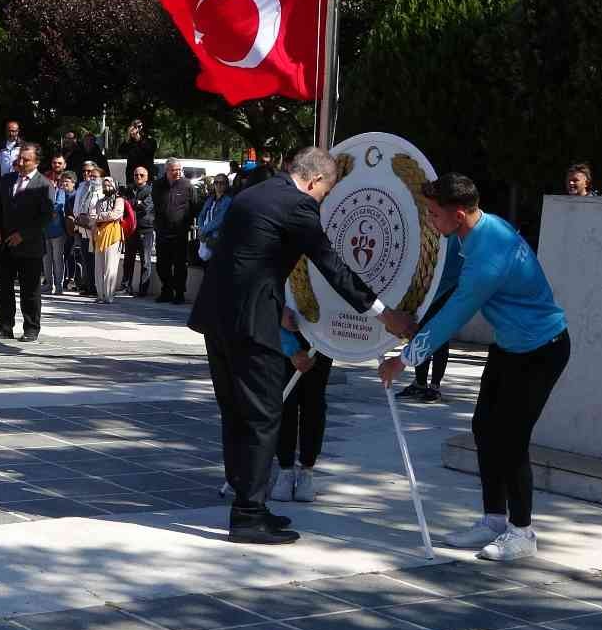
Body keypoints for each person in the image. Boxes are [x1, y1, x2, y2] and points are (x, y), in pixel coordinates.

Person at [190, 148, 396, 544]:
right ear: (316, 182)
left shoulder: (254, 192)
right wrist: (383, 314)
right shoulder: (297, 204)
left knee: (235, 411)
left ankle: (249, 500)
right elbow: (331, 264)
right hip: (251, 322)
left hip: (216, 316)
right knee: (264, 414)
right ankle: (248, 514)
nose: (320, 201)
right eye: (325, 193)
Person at [378, 174, 570, 563]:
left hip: (541, 350)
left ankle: (522, 532)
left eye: (433, 214)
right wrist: (410, 313)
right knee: (484, 427)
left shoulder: (489, 254)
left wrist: (404, 358)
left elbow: (454, 314)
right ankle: (493, 520)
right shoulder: (468, 234)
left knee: (512, 440)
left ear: (459, 213)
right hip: (510, 346)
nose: (430, 221)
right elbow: (443, 282)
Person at [0, 143, 53, 343]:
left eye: (26, 160)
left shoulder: (44, 184)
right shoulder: (7, 180)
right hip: (5, 244)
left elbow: (46, 217)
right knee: (3, 287)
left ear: (36, 162)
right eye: (20, 159)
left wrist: (23, 235)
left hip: (29, 246)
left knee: (29, 289)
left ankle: (31, 327)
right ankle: (5, 326)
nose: (21, 163)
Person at [270, 307, 332, 503]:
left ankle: (307, 470)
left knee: (314, 404)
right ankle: (285, 469)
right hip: (283, 333)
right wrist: (290, 348)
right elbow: (268, 294)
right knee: (285, 403)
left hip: (321, 335)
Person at [398, 232, 464, 403]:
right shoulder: (431, 226)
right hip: (427, 286)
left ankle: (434, 386)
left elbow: (457, 262)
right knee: (420, 331)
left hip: (447, 288)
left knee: (440, 336)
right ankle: (419, 383)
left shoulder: (454, 233)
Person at [154, 159, 193, 303]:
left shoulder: (186, 185)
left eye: (179, 169)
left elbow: (193, 206)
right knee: (162, 264)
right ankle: (167, 290)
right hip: (162, 231)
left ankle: (179, 293)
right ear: (167, 170)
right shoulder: (158, 185)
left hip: (179, 232)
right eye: (174, 170)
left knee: (179, 265)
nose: (177, 172)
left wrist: (186, 223)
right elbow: (156, 206)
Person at [121, 165, 155, 297]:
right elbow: (123, 204)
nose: (138, 177)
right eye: (136, 175)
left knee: (145, 261)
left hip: (145, 229)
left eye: (142, 175)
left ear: (147, 177)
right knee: (128, 259)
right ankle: (126, 286)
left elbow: (145, 207)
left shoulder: (150, 190)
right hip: (131, 229)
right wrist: (136, 203)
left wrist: (132, 203)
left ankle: (143, 290)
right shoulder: (129, 189)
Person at [91, 176, 125, 303]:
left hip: (113, 234)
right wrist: (102, 217)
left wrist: (100, 216)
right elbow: (92, 216)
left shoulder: (119, 200)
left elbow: (116, 214)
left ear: (114, 186)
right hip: (99, 234)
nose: (107, 187)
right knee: (99, 266)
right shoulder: (99, 201)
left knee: (110, 266)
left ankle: (109, 295)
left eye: (109, 185)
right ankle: (100, 294)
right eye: (104, 185)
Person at [70, 160, 102, 295]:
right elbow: (77, 205)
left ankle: (95, 286)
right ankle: (88, 285)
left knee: (94, 258)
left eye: (89, 171)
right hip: (81, 226)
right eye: (84, 171)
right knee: (85, 258)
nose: (86, 174)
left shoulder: (101, 188)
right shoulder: (82, 186)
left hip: (94, 227)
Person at [45, 171, 75, 294]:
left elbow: (58, 206)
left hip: (57, 231)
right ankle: (48, 284)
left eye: (52, 180)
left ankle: (58, 285)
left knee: (58, 259)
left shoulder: (60, 192)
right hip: (44, 231)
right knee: (46, 260)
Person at [195, 173, 231, 263]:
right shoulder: (210, 199)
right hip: (206, 236)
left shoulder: (228, 201)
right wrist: (200, 228)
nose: (218, 185)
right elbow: (202, 215)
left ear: (226, 185)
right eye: (216, 182)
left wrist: (203, 231)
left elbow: (219, 220)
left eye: (221, 183)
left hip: (217, 238)